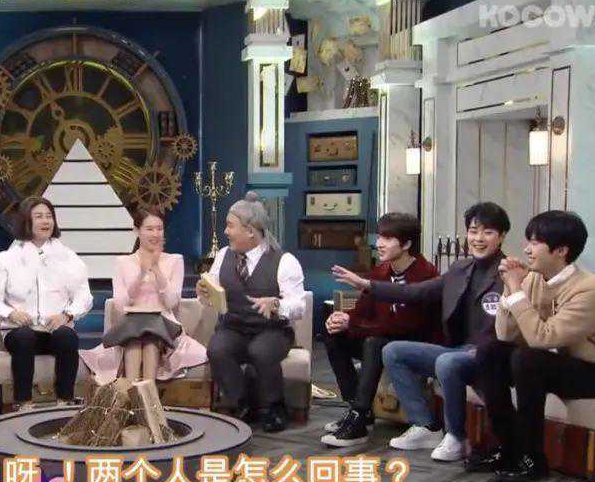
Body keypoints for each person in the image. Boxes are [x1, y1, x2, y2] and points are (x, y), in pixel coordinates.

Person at [332, 201, 510, 462]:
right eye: (473, 232)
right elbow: (415, 292)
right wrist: (367, 284)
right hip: (456, 348)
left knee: (448, 361)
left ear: (502, 236)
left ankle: (456, 437)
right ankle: (425, 426)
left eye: (488, 232)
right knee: (392, 351)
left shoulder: (510, 273)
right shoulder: (460, 269)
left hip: (488, 352)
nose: (478, 239)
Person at [473, 211, 595, 482]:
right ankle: (507, 448)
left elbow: (541, 339)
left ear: (561, 251)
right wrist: (512, 288)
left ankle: (532, 459)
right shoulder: (535, 278)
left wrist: (516, 290)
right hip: (565, 363)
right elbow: (504, 333)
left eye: (535, 243)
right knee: (491, 351)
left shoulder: (587, 290)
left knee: (528, 360)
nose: (526, 249)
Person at [321, 213, 440, 447]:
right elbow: (363, 311)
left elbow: (406, 326)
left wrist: (353, 324)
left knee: (374, 342)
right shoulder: (382, 271)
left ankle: (359, 416)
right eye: (380, 237)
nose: (379, 243)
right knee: (334, 335)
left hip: (415, 344)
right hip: (384, 338)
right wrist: (343, 318)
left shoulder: (426, 274)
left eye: (387, 238)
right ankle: (357, 409)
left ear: (406, 244)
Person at [196, 191, 306, 433]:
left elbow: (299, 306)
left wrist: (276, 305)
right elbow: (212, 292)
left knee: (260, 351)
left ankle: (274, 407)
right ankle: (241, 404)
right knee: (217, 349)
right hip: (234, 327)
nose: (225, 232)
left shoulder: (284, 261)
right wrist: (203, 293)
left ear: (249, 230)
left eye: (230, 226)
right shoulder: (223, 255)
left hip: (272, 330)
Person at [0, 196, 93, 408]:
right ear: (26, 221)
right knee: (24, 337)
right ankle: (24, 402)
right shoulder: (6, 259)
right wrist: (11, 313)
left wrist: (66, 315)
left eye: (49, 216)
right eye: (39, 216)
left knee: (67, 336)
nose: (46, 221)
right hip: (19, 332)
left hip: (54, 331)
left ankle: (65, 400)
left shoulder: (68, 258)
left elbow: (84, 296)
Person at [79, 208, 207, 384]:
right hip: (131, 326)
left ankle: (143, 393)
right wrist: (141, 273)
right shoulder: (123, 262)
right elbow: (121, 305)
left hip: (164, 326)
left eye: (159, 229)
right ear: (137, 231)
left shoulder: (175, 260)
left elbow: (171, 303)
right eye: (149, 229)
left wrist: (156, 269)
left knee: (150, 334)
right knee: (137, 335)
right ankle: (140, 394)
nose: (155, 234)